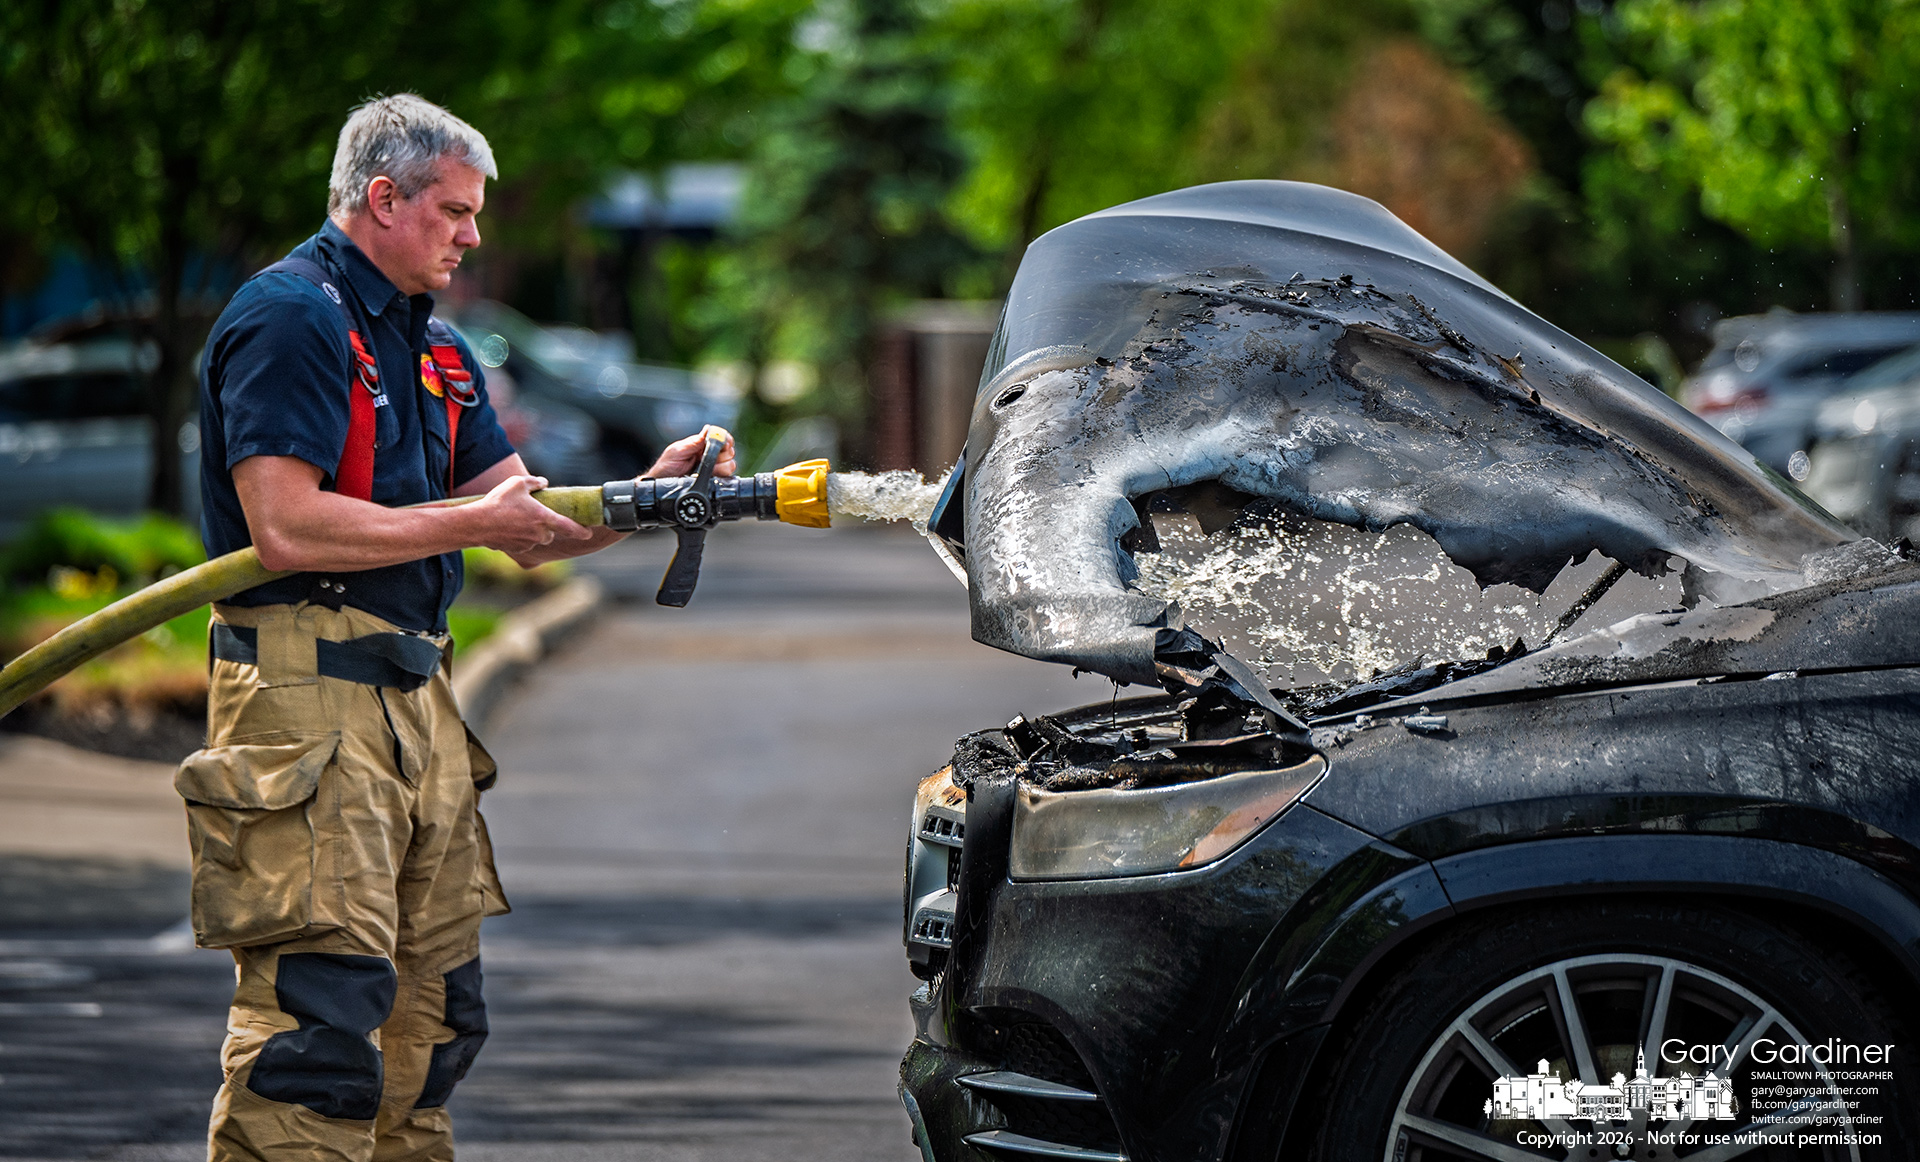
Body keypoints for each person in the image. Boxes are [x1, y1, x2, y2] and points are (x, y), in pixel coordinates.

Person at [185, 93, 734, 1161]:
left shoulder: (435, 349)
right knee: (319, 1029)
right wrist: (473, 519)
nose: (474, 233)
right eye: (455, 210)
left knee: (430, 1026)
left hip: (415, 704)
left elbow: (525, 528)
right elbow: (285, 524)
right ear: (381, 199)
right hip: (306, 704)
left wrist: (643, 495)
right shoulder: (291, 317)